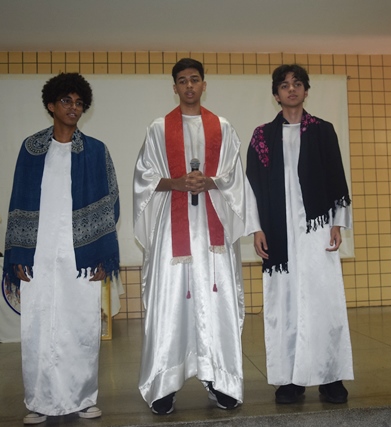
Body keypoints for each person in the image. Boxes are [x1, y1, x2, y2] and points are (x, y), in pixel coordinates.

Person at [2, 72, 120, 425]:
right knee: (38, 326)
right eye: (66, 101)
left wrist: (102, 255)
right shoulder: (31, 148)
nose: (74, 107)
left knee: (82, 325)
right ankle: (39, 401)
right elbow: (18, 200)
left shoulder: (96, 150)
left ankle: (83, 398)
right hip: (38, 253)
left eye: (79, 102)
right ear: (51, 105)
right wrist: (19, 253)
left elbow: (110, 203)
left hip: (81, 253)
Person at [133, 58, 247, 415]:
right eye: (182, 81)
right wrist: (177, 183)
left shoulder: (223, 127)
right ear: (174, 87)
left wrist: (210, 181)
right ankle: (164, 383)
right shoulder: (158, 129)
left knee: (217, 302)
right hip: (173, 233)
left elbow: (235, 177)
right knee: (171, 303)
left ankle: (220, 379)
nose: (189, 86)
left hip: (213, 237)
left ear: (204, 84)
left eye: (194, 79)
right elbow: (143, 180)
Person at [245, 64, 354, 405]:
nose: (291, 89)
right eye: (284, 85)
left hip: (317, 229)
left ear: (306, 90)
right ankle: (289, 380)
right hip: (279, 234)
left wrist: (337, 222)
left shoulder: (323, 131)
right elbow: (251, 187)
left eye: (297, 84)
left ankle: (330, 376)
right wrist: (257, 228)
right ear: (275, 95)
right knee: (284, 304)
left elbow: (336, 178)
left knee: (325, 301)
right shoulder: (261, 137)